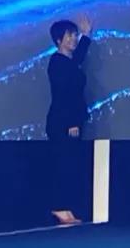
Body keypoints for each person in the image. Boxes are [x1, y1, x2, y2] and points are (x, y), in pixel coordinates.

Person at [46, 15, 93, 225]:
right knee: (63, 165)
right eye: (70, 36)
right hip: (62, 124)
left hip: (69, 122)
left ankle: (65, 207)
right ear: (59, 40)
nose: (73, 39)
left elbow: (78, 58)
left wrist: (86, 35)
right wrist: (71, 122)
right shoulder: (57, 63)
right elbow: (64, 94)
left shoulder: (68, 61)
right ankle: (59, 207)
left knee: (69, 165)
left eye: (74, 35)